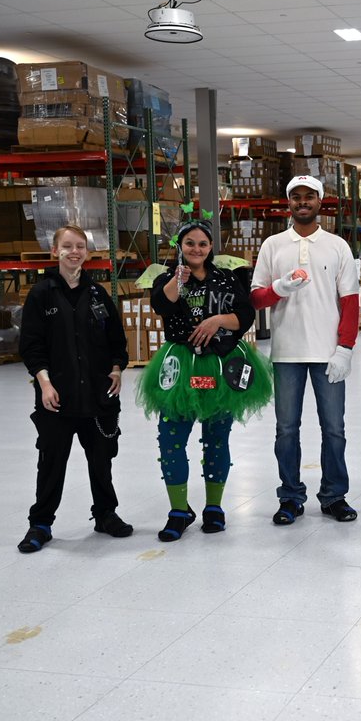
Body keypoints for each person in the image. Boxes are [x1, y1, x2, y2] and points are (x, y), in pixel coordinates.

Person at [137, 219, 273, 542]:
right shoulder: (169, 277)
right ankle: (178, 511)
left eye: (202, 244)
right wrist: (177, 280)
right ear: (180, 247)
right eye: (189, 244)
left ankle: (214, 507)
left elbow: (245, 314)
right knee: (170, 441)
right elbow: (160, 305)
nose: (196, 249)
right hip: (181, 367)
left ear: (211, 247)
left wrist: (217, 321)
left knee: (216, 439)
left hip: (221, 365)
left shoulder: (228, 278)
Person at [251, 175, 361, 525]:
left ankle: (334, 496)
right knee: (286, 430)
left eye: (309, 197)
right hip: (286, 354)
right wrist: (279, 288)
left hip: (327, 352)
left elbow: (351, 302)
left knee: (334, 429)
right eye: (296, 197)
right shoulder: (272, 245)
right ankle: (290, 497)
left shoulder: (337, 246)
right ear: (288, 203)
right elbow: (255, 297)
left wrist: (345, 348)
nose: (302, 202)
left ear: (320, 202)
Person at [17, 224, 131, 553]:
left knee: (101, 460)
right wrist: (45, 384)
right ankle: (40, 523)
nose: (74, 252)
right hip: (57, 399)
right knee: (51, 462)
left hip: (98, 398)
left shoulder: (98, 294)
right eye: (67, 246)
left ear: (87, 253)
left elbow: (116, 340)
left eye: (80, 246)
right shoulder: (42, 294)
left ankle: (106, 514)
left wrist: (116, 368)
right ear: (55, 252)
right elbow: (31, 346)